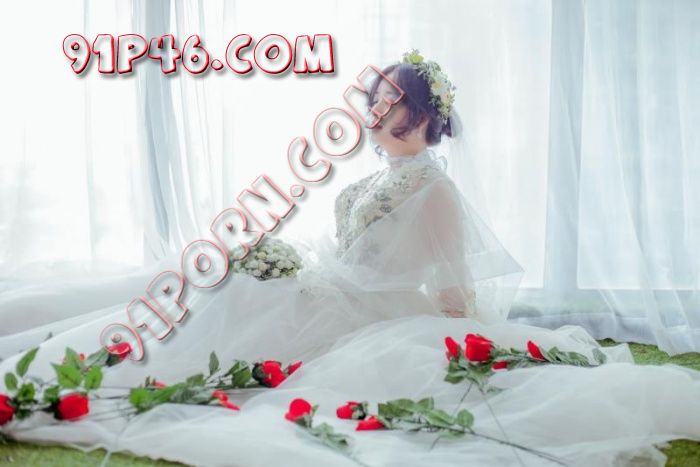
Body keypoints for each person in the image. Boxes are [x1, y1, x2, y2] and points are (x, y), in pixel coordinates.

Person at [0, 51, 698, 467]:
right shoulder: (382, 175)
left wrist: (464, 345)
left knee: (230, 302)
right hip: (331, 286)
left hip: (366, 312)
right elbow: (350, 248)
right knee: (212, 282)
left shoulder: (435, 187)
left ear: (423, 115)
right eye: (375, 100)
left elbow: (452, 289)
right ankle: (74, 350)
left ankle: (98, 375)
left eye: (392, 104)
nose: (376, 113)